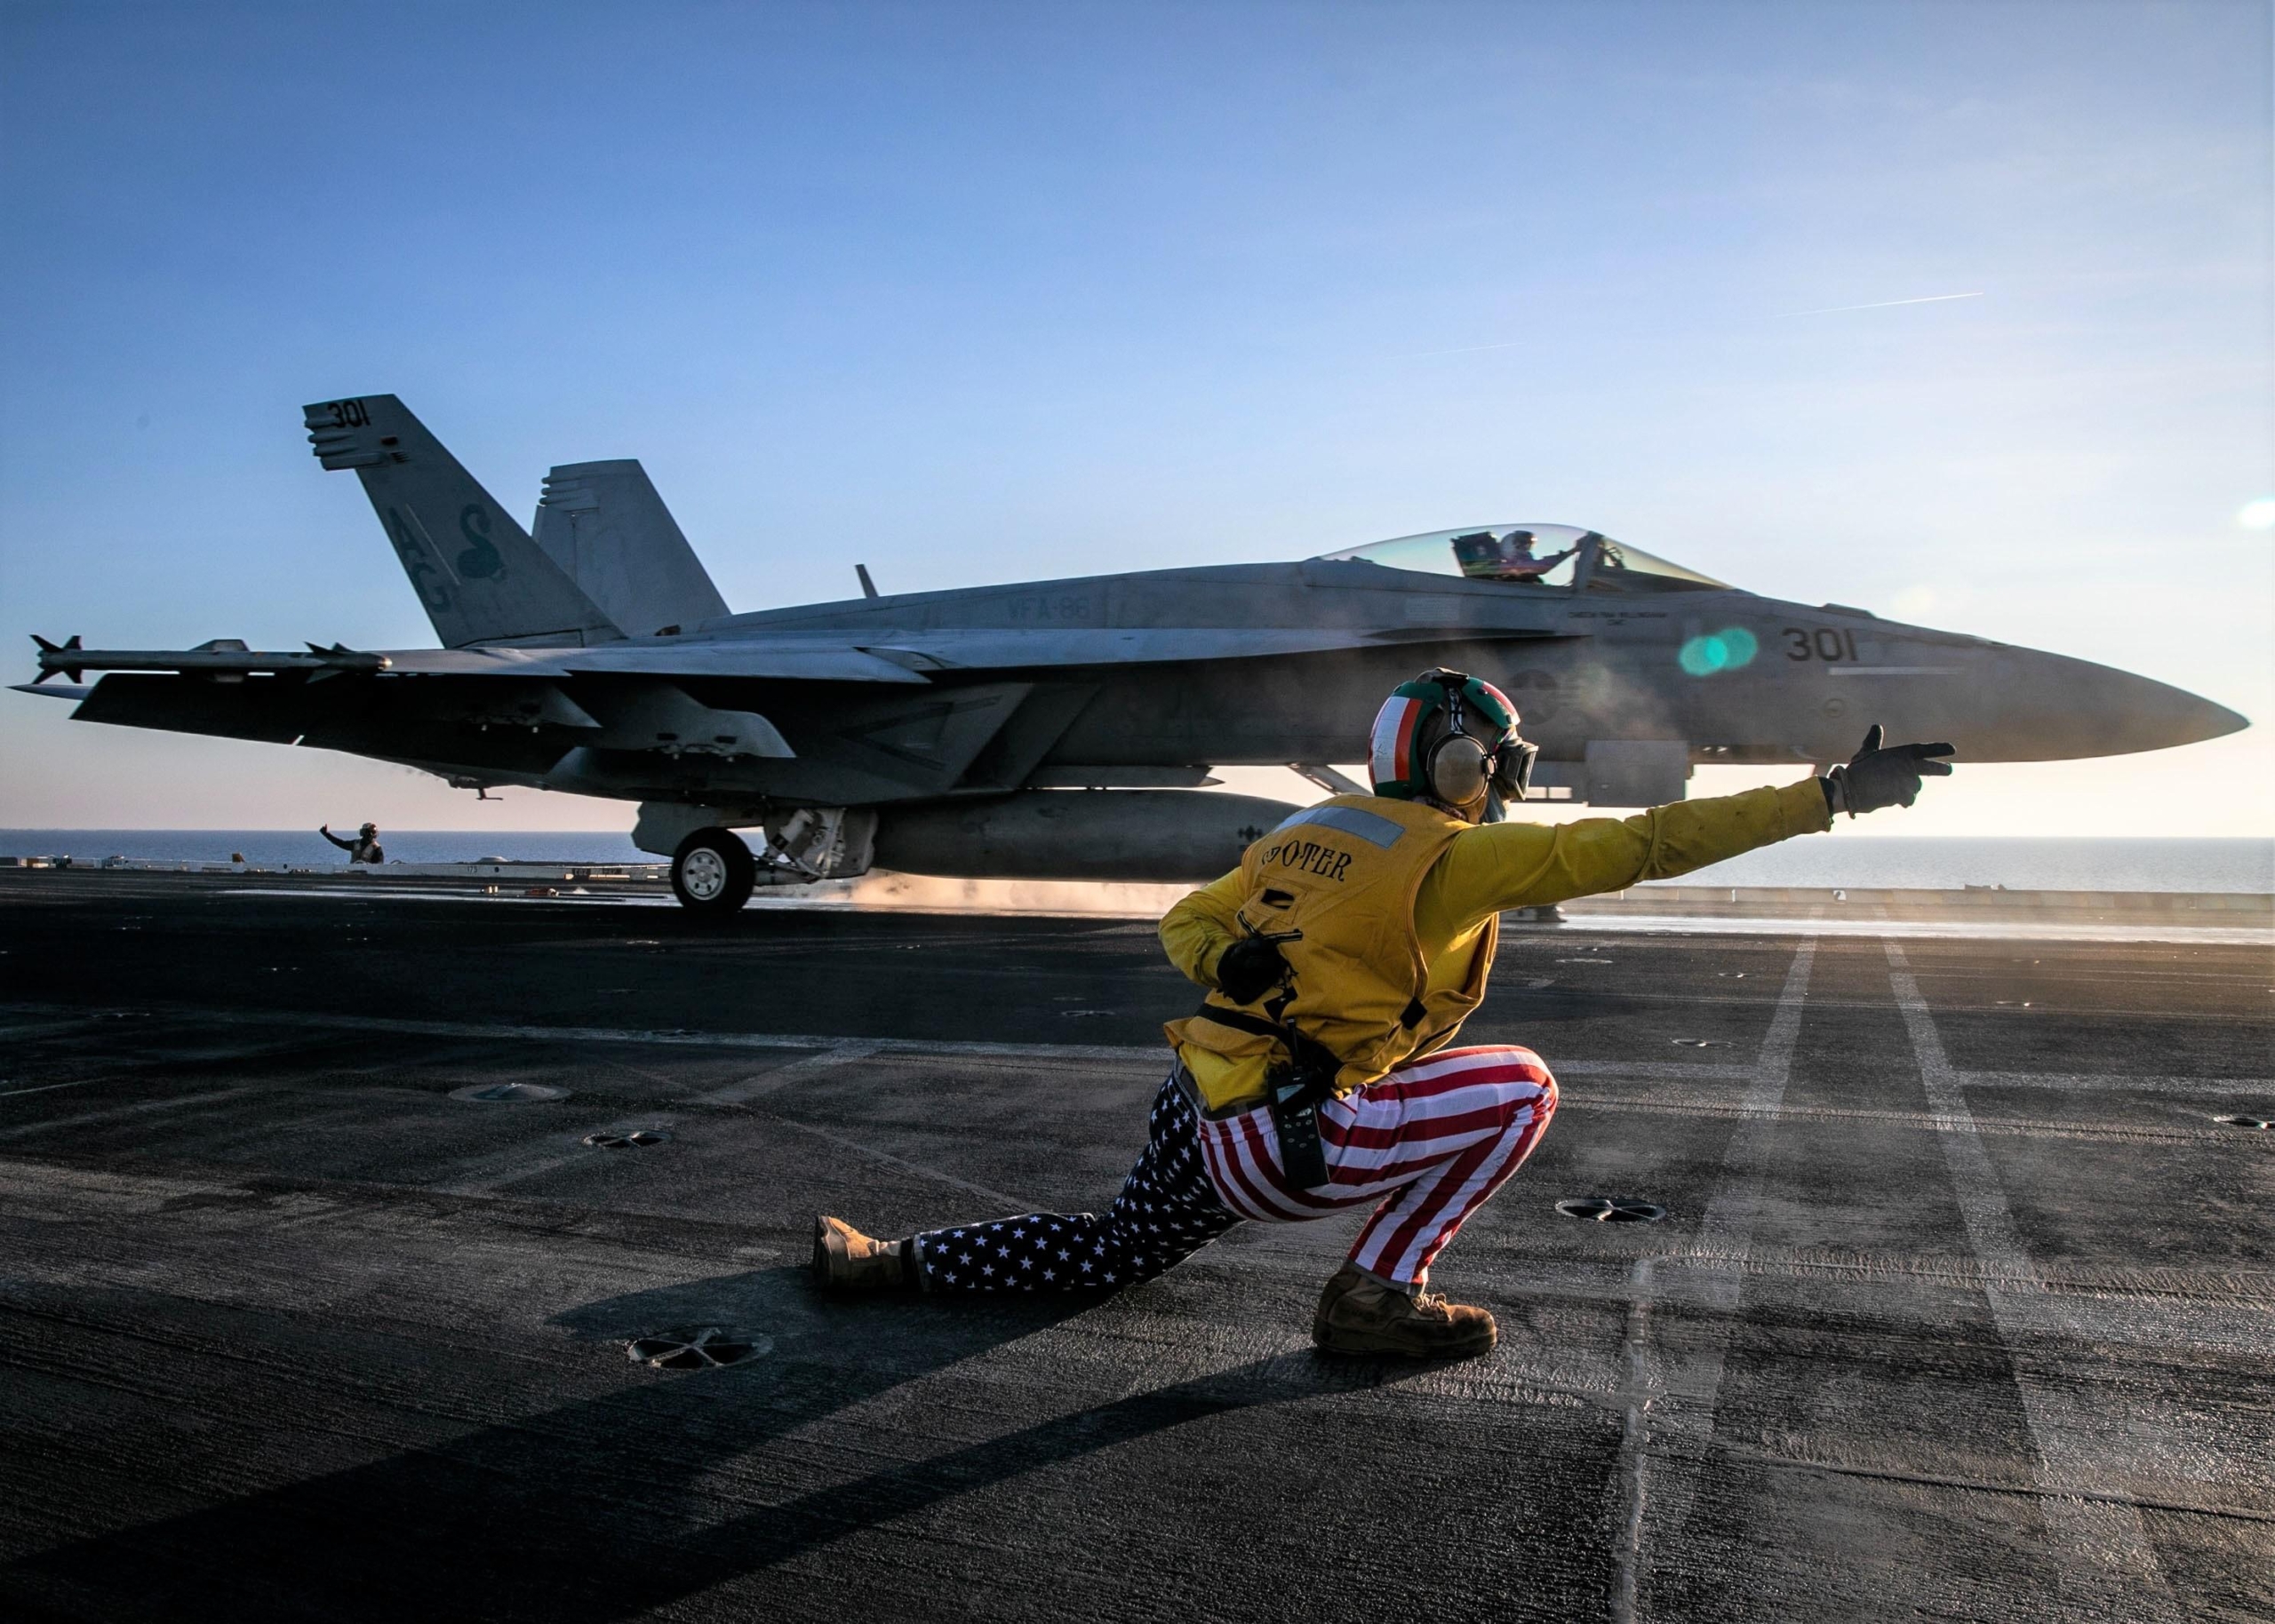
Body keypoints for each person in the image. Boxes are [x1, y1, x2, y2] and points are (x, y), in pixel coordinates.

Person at [813, 673, 1953, 1358]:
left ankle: (887, 1264)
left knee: (1112, 1246)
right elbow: (1646, 842)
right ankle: (1377, 1293)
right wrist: (1826, 795)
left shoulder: (1302, 832)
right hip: (1291, 1141)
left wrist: (1237, 956)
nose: (1502, 782)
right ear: (1462, 762)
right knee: (1526, 1083)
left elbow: (1183, 927)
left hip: (1202, 1108)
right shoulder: (1455, 855)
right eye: (1497, 763)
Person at [320, 822, 384, 864]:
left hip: (366, 877)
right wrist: (326, 834)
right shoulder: (356, 844)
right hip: (355, 875)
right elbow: (340, 843)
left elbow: (379, 864)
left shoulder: (376, 848)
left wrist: (326, 834)